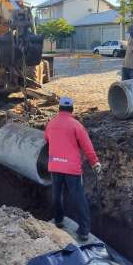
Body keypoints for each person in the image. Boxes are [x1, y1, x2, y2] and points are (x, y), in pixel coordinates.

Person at [44, 97, 102, 241]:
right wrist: (95, 163)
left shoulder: (50, 124)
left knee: (57, 195)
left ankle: (58, 220)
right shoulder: (76, 125)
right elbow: (87, 146)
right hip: (71, 168)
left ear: (59, 108)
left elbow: (47, 140)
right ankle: (83, 231)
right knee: (78, 198)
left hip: (55, 166)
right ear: (72, 109)